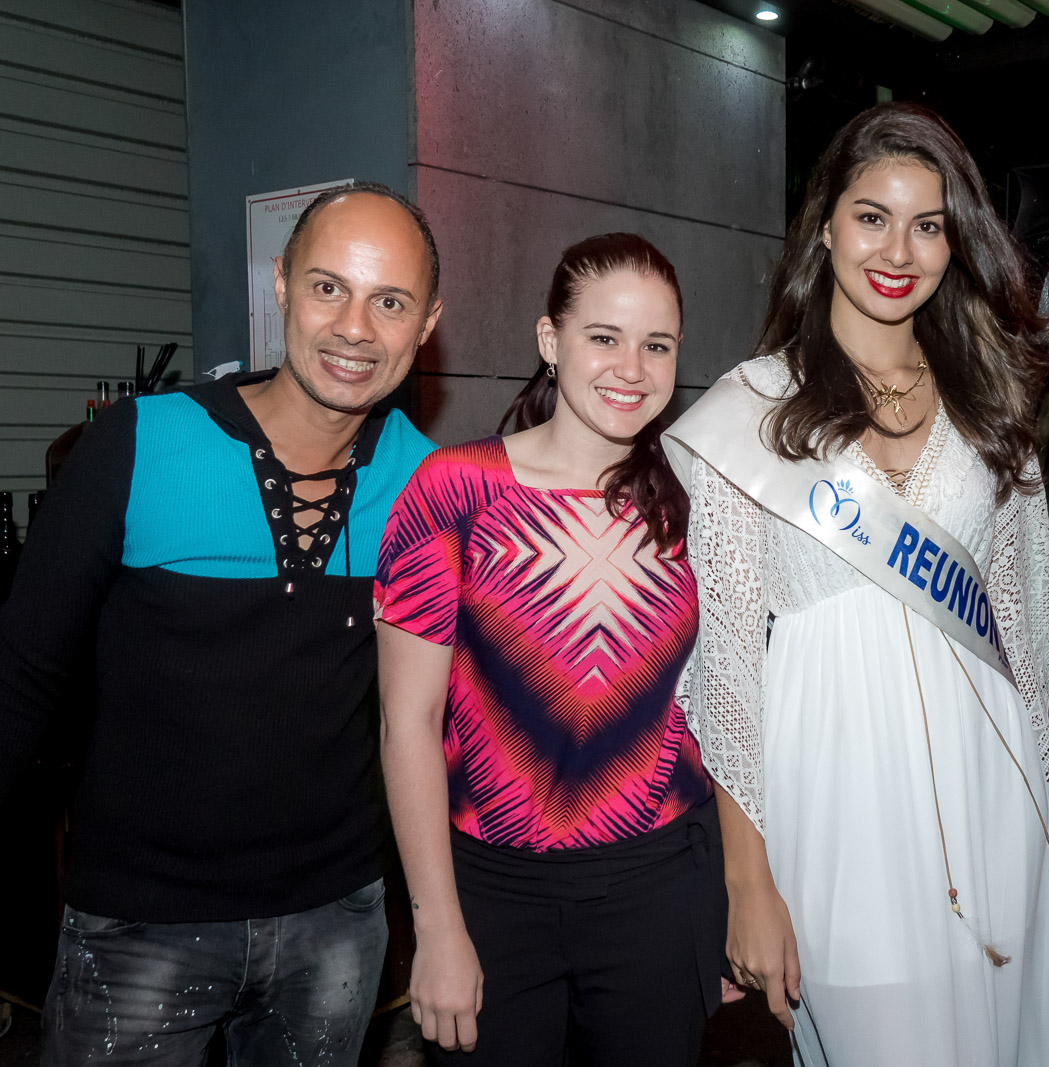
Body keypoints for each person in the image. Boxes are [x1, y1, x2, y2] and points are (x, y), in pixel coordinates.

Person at [664, 102, 1049, 1067]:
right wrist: (748, 880)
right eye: (872, 215)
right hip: (836, 792)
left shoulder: (990, 403)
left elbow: (1018, 609)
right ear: (826, 226)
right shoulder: (749, 412)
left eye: (928, 224)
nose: (900, 249)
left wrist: (1042, 774)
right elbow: (725, 670)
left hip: (989, 788)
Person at [0, 181, 443, 1063]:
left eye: (389, 301)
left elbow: (445, 706)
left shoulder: (425, 483)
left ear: (426, 324)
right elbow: (24, 671)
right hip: (140, 922)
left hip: (337, 921)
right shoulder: (138, 442)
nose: (355, 327)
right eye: (329, 287)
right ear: (279, 285)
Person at [375, 233, 730, 1066]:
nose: (631, 368)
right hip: (492, 892)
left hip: (662, 882)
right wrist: (437, 927)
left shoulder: (694, 503)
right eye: (603, 337)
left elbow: (730, 703)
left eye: (658, 345)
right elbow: (407, 722)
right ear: (550, 341)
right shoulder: (454, 489)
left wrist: (733, 900)